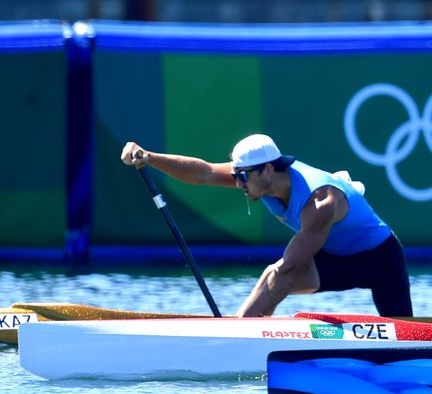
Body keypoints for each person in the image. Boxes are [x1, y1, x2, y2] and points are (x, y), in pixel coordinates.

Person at [121, 134, 413, 318]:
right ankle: (245, 335)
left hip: (379, 260)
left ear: (269, 169)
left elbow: (288, 268)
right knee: (273, 277)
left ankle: (239, 337)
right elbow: (204, 173)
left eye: (243, 176)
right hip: (334, 255)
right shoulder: (257, 179)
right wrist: (149, 158)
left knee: (279, 274)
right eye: (236, 175)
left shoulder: (321, 201)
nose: (238, 183)